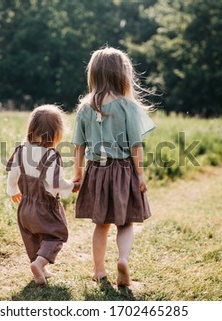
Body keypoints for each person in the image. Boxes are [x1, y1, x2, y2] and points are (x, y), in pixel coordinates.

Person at [71, 46, 156, 287]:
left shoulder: (85, 107)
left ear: (94, 74)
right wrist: (140, 175)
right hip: (123, 171)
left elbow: (78, 146)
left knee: (101, 223)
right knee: (125, 221)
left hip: (96, 171)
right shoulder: (128, 107)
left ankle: (99, 270)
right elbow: (136, 146)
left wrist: (78, 174)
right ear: (122, 75)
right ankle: (123, 259)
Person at [6, 104, 79, 286]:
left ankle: (39, 267)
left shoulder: (21, 150)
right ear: (56, 133)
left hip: (24, 206)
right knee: (56, 234)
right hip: (44, 208)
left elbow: (12, 175)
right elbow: (56, 184)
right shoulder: (51, 156)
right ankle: (39, 263)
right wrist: (72, 186)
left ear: (31, 128)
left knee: (32, 236)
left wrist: (13, 191)